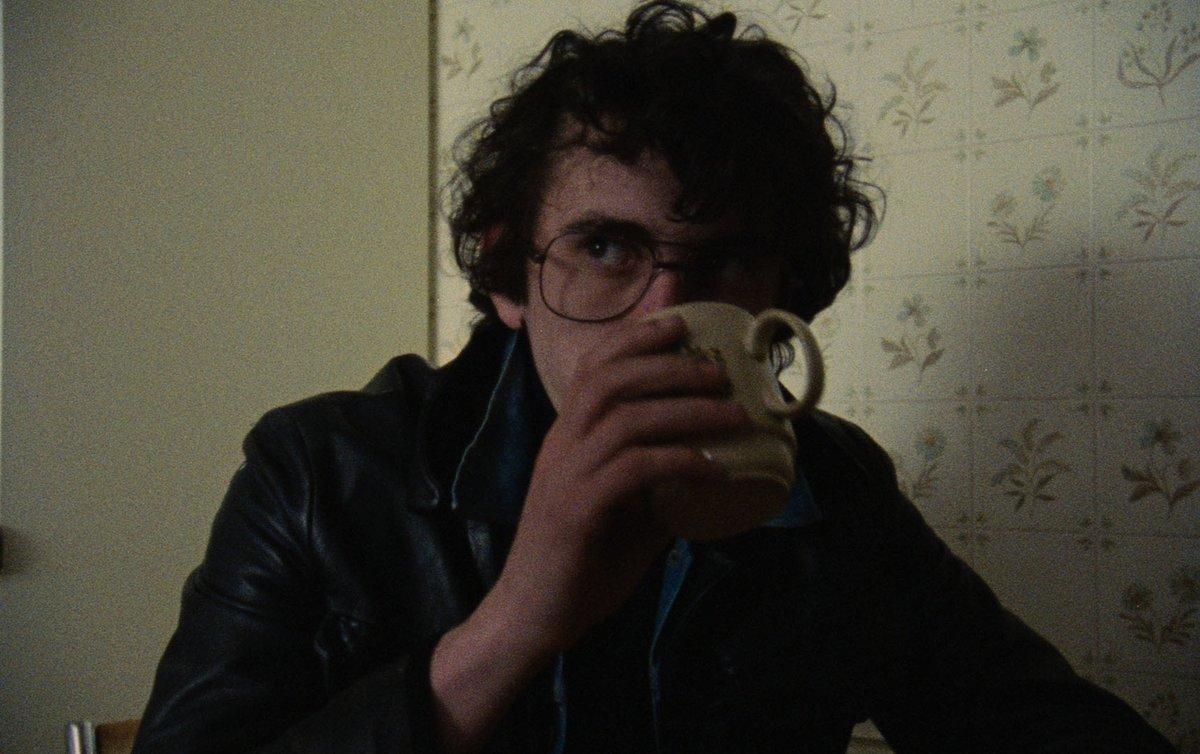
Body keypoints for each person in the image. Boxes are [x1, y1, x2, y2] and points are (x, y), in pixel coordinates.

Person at [132, 3, 1174, 752]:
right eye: (605, 247)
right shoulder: (321, 473)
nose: (664, 313)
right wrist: (517, 621)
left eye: (724, 257)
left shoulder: (833, 491)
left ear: (785, 292)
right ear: (508, 275)